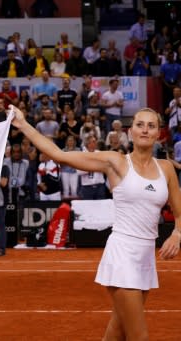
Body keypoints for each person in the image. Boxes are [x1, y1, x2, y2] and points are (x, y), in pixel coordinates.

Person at [11, 104, 181, 340]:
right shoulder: (115, 161)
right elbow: (60, 155)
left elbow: (179, 212)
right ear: (130, 131)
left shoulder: (166, 169)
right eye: (140, 125)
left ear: (159, 133)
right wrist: (23, 124)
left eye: (151, 126)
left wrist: (177, 234)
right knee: (138, 336)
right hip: (122, 254)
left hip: (145, 256)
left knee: (118, 330)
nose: (145, 130)